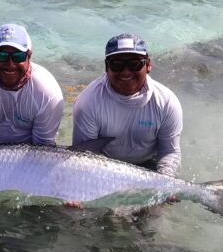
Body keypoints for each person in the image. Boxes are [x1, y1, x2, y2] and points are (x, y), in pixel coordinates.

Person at [72, 33, 183, 177]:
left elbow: (169, 151)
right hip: (102, 169)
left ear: (148, 65)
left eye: (134, 63)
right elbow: (83, 157)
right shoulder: (88, 102)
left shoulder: (167, 102)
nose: (126, 72)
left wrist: (166, 180)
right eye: (116, 64)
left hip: (150, 166)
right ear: (106, 67)